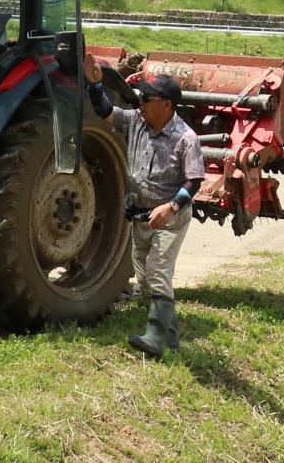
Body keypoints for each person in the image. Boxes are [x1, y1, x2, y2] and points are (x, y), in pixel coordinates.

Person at [86, 58, 205, 358]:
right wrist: (95, 84)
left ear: (166, 105)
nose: (140, 102)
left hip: (170, 218)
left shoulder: (186, 139)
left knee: (157, 272)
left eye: (146, 99)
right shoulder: (137, 120)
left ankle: (154, 340)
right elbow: (105, 111)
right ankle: (171, 340)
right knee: (146, 281)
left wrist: (170, 207)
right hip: (140, 215)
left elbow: (194, 182)